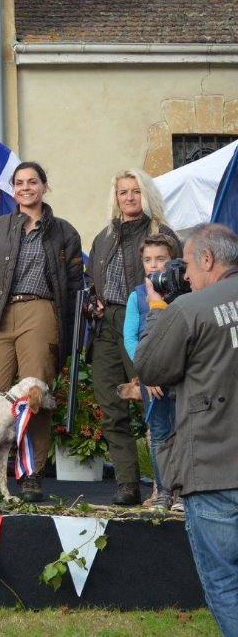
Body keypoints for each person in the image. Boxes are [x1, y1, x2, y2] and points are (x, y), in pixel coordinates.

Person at [134, 223, 238, 635]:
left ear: (208, 259)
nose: (186, 278)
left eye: (188, 267)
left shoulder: (190, 309)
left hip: (212, 468)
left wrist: (159, 308)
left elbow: (151, 366)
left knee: (225, 581)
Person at [0, 161, 82, 502]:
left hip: (41, 310)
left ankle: (31, 473)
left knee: (34, 396)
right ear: (13, 189)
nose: (26, 188)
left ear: (45, 186)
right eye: (19, 183)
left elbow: (74, 285)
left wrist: (72, 332)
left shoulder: (64, 232)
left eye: (33, 182)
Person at [87, 168, 179, 505]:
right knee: (112, 406)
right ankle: (127, 483)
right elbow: (92, 277)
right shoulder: (104, 236)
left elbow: (177, 283)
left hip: (144, 319)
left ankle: (166, 486)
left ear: (146, 195)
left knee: (156, 404)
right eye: (123, 192)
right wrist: (94, 298)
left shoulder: (161, 233)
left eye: (135, 191)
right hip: (106, 325)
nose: (129, 197)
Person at [121, 233, 180, 510]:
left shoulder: (184, 291)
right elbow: (131, 338)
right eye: (148, 260)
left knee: (181, 433)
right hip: (151, 380)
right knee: (159, 434)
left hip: (180, 378)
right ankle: (164, 493)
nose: (154, 265)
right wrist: (147, 371)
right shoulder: (137, 296)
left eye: (161, 259)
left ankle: (183, 494)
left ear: (174, 260)